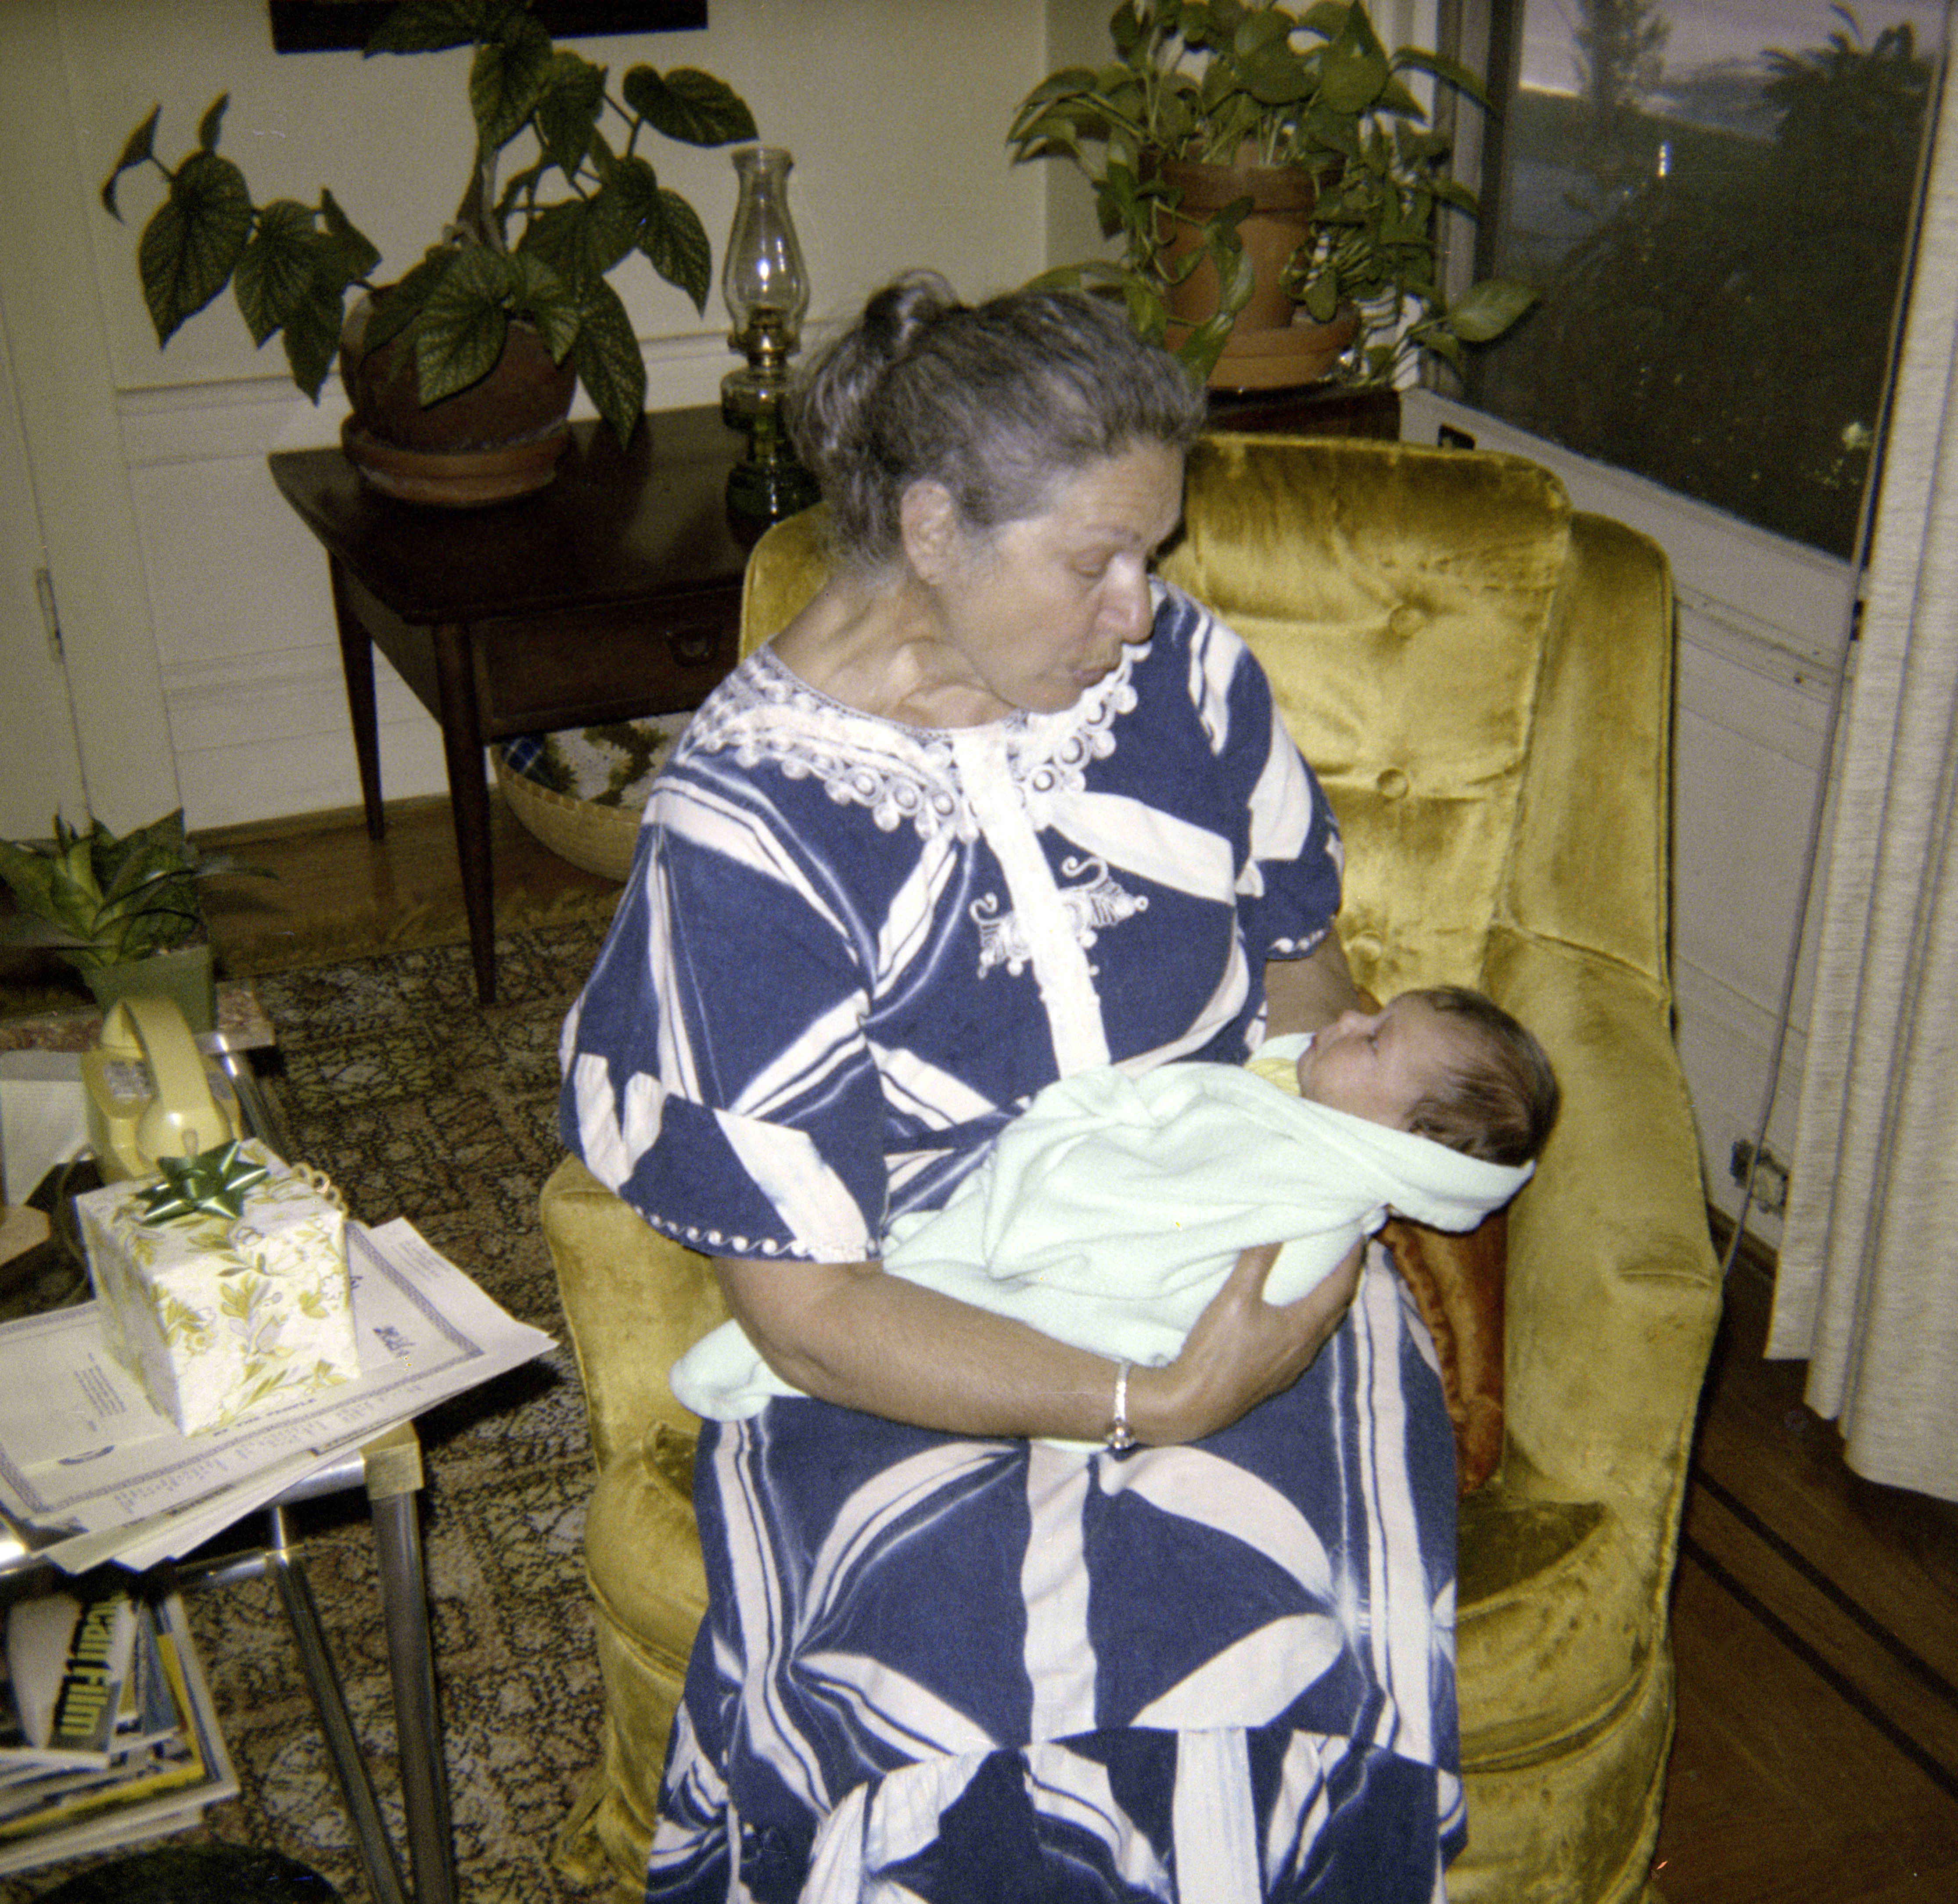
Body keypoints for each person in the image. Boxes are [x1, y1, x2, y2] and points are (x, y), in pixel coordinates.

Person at [560, 272, 1462, 1901]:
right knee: (944, 1681)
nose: (1141, 607)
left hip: (1228, 1251)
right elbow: (809, 1316)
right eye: (1095, 561)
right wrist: (1150, 1400)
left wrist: (1313, 1173)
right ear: (929, 528)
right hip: (910, 1321)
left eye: (1152, 554)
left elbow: (1299, 967)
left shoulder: (1185, 682)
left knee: (1267, 1639)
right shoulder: (745, 831)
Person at [670, 986, 1559, 1426]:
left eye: (1371, 1041)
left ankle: (907, 1344)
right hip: (1064, 1265)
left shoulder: (1316, 1190)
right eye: (1369, 1016)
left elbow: (1139, 1219)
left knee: (941, 1295)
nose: (1343, 1020)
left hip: (1094, 1303)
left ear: (1409, 1141)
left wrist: (1076, 1133)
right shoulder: (1287, 1099)